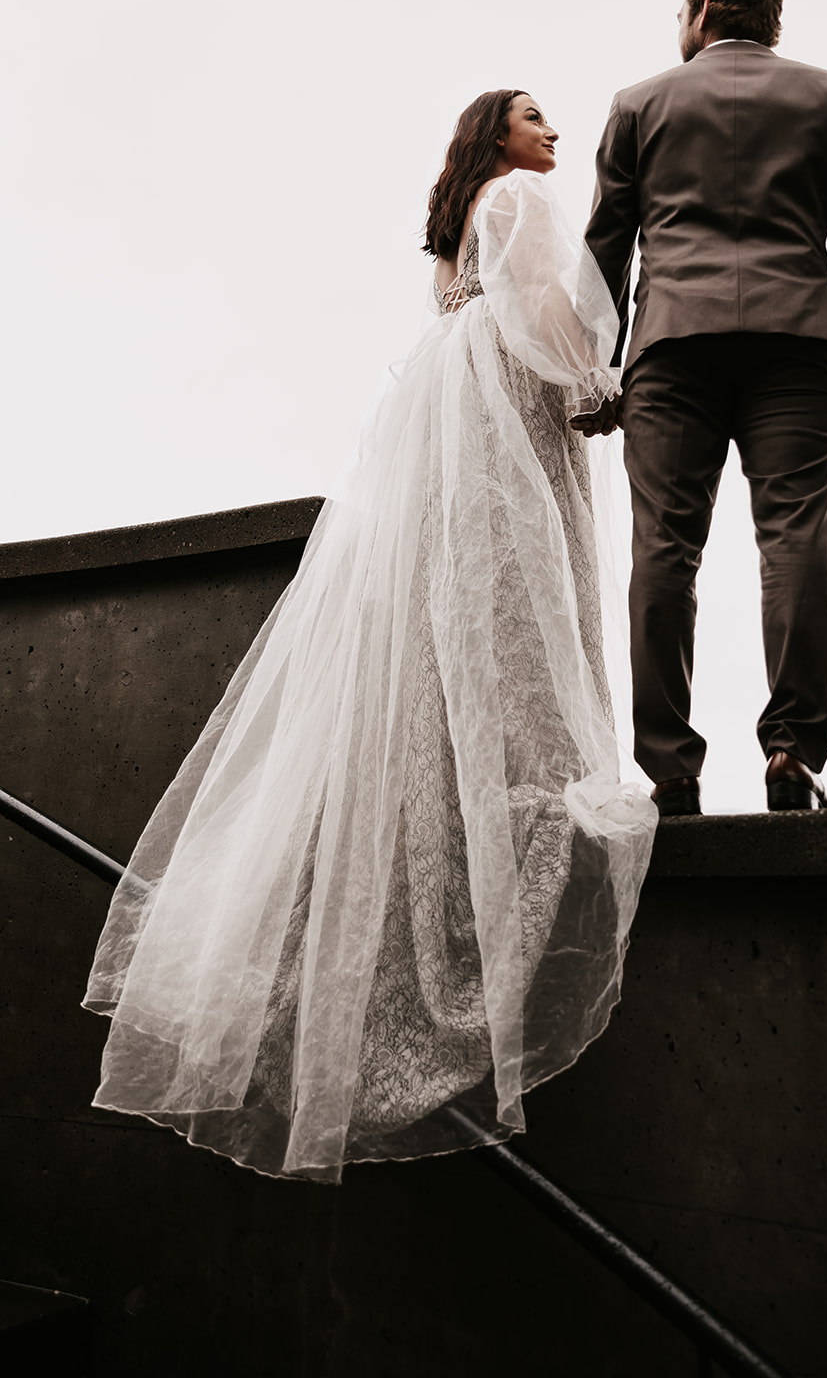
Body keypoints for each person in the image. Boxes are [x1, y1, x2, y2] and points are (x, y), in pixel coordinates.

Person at [83, 90, 656, 1182]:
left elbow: (478, 312)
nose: (552, 128)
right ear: (498, 134)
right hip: (498, 413)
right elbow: (543, 315)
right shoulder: (521, 196)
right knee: (525, 593)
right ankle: (542, 776)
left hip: (441, 423)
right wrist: (597, 385)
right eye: (534, 113)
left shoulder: (448, 240)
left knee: (459, 609)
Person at [581, 0, 827, 816]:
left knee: (663, 551)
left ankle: (670, 768)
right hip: (797, 344)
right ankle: (791, 752)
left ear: (703, 8)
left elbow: (604, 248)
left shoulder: (639, 103)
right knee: (795, 542)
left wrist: (601, 368)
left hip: (672, 349)